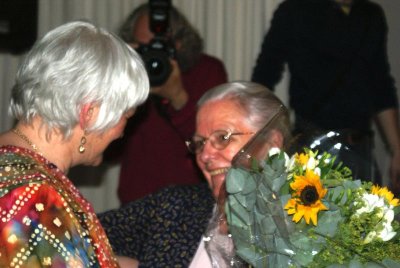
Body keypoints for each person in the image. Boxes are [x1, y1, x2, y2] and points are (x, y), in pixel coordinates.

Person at [0, 21, 149, 267]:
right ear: (89, 113)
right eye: (126, 116)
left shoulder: (15, 164)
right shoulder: (33, 196)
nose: (122, 132)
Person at [98, 81, 291, 267]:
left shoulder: (307, 226)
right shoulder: (177, 207)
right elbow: (78, 231)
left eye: (222, 137)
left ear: (272, 143)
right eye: (200, 143)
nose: (205, 155)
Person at [251, 0, 400, 192]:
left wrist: (396, 148)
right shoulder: (295, 10)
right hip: (312, 143)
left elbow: (381, 86)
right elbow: (264, 76)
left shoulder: (371, 14)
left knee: (373, 217)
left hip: (360, 145)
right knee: (311, 218)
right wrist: (261, 137)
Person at [105, 3, 228, 204]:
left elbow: (216, 146)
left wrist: (178, 96)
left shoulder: (207, 72)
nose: (152, 55)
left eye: (158, 45)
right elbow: (109, 152)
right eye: (143, 47)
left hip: (192, 206)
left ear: (179, 43)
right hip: (138, 207)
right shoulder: (126, 78)